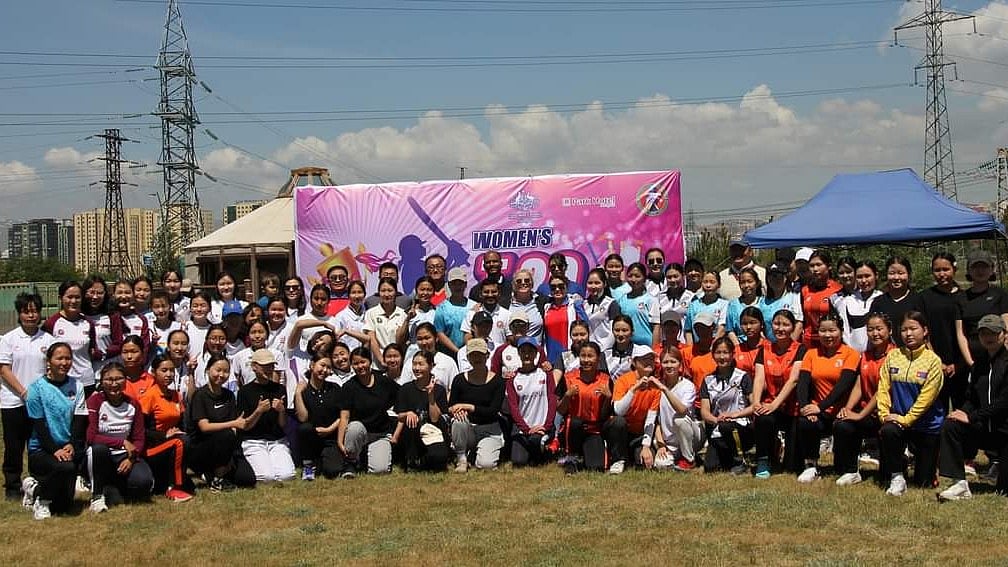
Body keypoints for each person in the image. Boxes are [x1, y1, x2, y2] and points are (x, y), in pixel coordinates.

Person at [938, 314, 1008, 500]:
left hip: (1005, 431)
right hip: (983, 428)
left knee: (1004, 491)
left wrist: (971, 417)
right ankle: (959, 483)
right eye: (984, 333)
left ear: (1004, 334)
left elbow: (1003, 403)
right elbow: (972, 398)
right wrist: (962, 411)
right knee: (951, 425)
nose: (988, 337)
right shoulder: (979, 365)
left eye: (993, 333)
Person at [877, 311, 945, 496]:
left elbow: (926, 399)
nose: (908, 334)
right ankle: (897, 476)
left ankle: (922, 465)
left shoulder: (933, 361)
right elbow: (883, 388)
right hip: (897, 422)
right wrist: (884, 415)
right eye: (904, 329)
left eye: (913, 329)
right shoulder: (893, 356)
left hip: (926, 425)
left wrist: (907, 419)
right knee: (888, 431)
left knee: (924, 483)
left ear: (925, 331)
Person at [23, 343, 86, 520]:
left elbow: (79, 419)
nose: (64, 362)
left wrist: (71, 444)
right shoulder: (36, 389)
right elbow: (39, 426)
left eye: (68, 358)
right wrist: (55, 450)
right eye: (59, 358)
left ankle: (33, 489)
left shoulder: (77, 385)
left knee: (64, 506)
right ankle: (41, 501)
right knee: (66, 466)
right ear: (48, 361)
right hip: (42, 449)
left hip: (66, 448)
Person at [795, 311, 860, 483]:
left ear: (841, 331)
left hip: (842, 410)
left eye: (832, 330)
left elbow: (843, 386)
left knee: (844, 427)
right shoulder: (811, 354)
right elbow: (802, 383)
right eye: (823, 331)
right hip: (819, 410)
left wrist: (820, 407)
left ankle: (851, 470)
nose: (827, 335)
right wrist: (805, 408)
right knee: (805, 422)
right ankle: (811, 466)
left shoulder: (851, 354)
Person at [0, 293, 53, 500]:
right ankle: (12, 485)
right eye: (26, 312)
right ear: (19, 314)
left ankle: (37, 482)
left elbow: (52, 369)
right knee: (14, 446)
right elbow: (4, 369)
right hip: (13, 401)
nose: (31, 316)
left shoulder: (48, 340)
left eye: (34, 311)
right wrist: (23, 392)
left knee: (38, 444)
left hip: (40, 402)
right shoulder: (8, 339)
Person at [832, 312, 894, 486]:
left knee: (886, 477)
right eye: (870, 329)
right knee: (843, 423)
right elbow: (859, 385)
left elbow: (882, 390)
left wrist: (860, 415)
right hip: (867, 411)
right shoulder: (865, 355)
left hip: (888, 413)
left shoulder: (895, 355)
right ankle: (851, 470)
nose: (875, 333)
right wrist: (848, 409)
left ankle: (896, 465)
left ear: (889, 330)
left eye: (879, 329)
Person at [85, 363, 153, 512]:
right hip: (101, 455)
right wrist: (121, 442)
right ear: (102, 382)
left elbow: (139, 438)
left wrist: (131, 459)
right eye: (109, 379)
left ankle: (113, 488)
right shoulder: (94, 401)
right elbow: (91, 437)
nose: (114, 384)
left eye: (118, 379)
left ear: (125, 380)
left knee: (144, 483)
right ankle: (97, 495)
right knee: (99, 450)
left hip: (125, 455)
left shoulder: (133, 404)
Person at [186, 354, 255, 491]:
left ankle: (214, 472)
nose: (221, 375)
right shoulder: (200, 395)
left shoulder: (229, 395)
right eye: (218, 370)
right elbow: (204, 427)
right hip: (203, 447)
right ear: (208, 370)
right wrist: (233, 424)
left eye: (225, 371)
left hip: (226, 447)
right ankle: (217, 480)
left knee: (247, 479)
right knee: (226, 434)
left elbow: (236, 426)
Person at [751, 310, 806, 478]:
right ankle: (763, 459)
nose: (780, 328)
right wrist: (756, 402)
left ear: (793, 328)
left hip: (793, 407)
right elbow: (759, 378)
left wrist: (775, 404)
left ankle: (784, 449)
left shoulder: (801, 349)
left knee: (792, 467)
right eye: (776, 324)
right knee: (763, 418)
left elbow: (794, 380)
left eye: (785, 325)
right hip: (770, 404)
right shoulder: (764, 349)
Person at [914, 252, 968, 408]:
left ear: (954, 270)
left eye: (946, 269)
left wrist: (959, 364)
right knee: (936, 411)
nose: (942, 274)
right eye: (937, 270)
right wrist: (938, 362)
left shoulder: (965, 297)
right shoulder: (924, 298)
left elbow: (969, 333)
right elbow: (922, 333)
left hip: (961, 364)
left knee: (962, 409)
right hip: (933, 364)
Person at [139, 354, 193, 501]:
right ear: (154, 372)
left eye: (171, 370)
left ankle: (174, 480)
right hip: (152, 447)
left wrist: (178, 431)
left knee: (184, 439)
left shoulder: (176, 395)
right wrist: (164, 436)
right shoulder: (149, 396)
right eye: (164, 370)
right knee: (180, 442)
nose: (169, 374)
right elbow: (141, 430)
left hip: (170, 444)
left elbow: (181, 423)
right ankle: (175, 488)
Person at [236, 349, 295, 483]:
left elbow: (282, 424)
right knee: (266, 477)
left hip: (277, 441)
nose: (268, 369)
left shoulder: (280, 389)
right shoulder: (244, 392)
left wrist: (281, 410)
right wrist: (258, 411)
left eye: (271, 366)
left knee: (287, 476)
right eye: (264, 366)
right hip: (254, 441)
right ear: (254, 367)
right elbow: (244, 425)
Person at [338, 348, 399, 475]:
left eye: (363, 362)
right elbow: (344, 417)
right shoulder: (349, 387)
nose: (360, 366)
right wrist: (340, 441)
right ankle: (351, 462)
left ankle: (365, 457)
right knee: (354, 428)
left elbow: (401, 396)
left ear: (370, 362)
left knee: (380, 470)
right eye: (356, 363)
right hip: (360, 432)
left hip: (380, 433)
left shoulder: (384, 382)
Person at [556, 341, 615, 473]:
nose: (586, 360)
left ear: (598, 358)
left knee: (596, 468)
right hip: (573, 429)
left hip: (595, 430)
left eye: (590, 356)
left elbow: (605, 415)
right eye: (583, 356)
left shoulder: (605, 380)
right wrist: (567, 396)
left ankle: (584, 454)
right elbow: (560, 410)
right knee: (575, 422)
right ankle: (571, 456)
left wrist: (607, 398)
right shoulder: (568, 378)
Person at [698, 337, 754, 474]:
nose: (722, 357)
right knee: (710, 467)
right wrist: (716, 419)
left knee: (727, 426)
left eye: (726, 352)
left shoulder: (742, 377)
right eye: (718, 353)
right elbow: (704, 411)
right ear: (713, 355)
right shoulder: (708, 380)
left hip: (740, 427)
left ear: (732, 354)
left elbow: (754, 406)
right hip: (717, 427)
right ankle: (729, 458)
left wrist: (735, 415)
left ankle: (739, 460)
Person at [449, 338, 505, 472]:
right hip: (467, 429)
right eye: (473, 355)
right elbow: (451, 406)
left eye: (480, 354)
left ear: (487, 355)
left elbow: (493, 411)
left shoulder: (498, 381)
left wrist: (469, 407)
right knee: (458, 420)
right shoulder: (459, 379)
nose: (477, 358)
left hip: (489, 430)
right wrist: (457, 410)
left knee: (486, 465)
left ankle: (476, 453)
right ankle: (461, 458)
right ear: (468, 358)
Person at [393, 350, 451, 472]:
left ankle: (422, 461)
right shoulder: (406, 389)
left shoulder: (439, 390)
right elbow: (398, 415)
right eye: (414, 364)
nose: (416, 368)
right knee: (411, 421)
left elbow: (435, 419)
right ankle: (411, 460)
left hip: (433, 433)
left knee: (439, 459)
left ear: (431, 366)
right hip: (412, 433)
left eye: (421, 364)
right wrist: (407, 413)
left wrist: (431, 396)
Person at [506, 337, 557, 467]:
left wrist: (546, 426)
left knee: (535, 443)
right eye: (523, 351)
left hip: (542, 427)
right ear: (519, 353)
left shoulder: (545, 374)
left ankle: (543, 451)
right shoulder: (512, 379)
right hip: (524, 429)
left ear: (536, 353)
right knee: (518, 461)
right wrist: (526, 429)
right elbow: (513, 408)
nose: (527, 355)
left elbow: (552, 400)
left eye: (530, 351)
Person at [611, 345, 663, 472]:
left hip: (639, 434)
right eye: (644, 359)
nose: (649, 362)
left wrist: (646, 446)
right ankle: (618, 459)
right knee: (619, 422)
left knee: (645, 463)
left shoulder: (655, 386)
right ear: (634, 362)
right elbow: (618, 411)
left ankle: (632, 455)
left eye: (651, 359)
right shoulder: (623, 380)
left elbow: (651, 418)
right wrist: (634, 389)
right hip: (620, 432)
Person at [43, 281, 99, 395]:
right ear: (61, 298)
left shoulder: (88, 323)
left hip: (86, 382)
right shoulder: (51, 323)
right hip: (61, 382)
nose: (73, 301)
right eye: (69, 297)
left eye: (77, 297)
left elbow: (92, 350)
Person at [294, 355, 343, 480]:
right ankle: (308, 465)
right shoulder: (304, 391)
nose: (325, 370)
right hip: (312, 438)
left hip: (331, 437)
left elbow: (342, 416)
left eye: (328, 367)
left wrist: (329, 430)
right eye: (322, 365)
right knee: (304, 428)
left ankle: (320, 462)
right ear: (312, 365)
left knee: (332, 471)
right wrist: (298, 393)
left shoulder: (335, 388)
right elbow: (303, 418)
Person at [653, 346, 702, 470]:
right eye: (665, 362)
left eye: (673, 362)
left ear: (680, 364)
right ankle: (677, 458)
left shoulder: (687, 386)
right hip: (669, 442)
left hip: (691, 436)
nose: (669, 366)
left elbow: (682, 410)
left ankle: (689, 459)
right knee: (661, 465)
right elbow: (656, 420)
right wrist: (661, 445)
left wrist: (665, 390)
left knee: (680, 419)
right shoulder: (657, 386)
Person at [958, 249, 1008, 364]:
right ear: (968, 270)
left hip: (999, 357)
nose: (980, 271)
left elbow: (1006, 327)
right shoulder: (961, 298)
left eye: (984, 266)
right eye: (975, 267)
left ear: (992, 269)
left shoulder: (1000, 294)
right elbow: (960, 334)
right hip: (973, 358)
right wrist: (971, 363)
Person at [830, 260, 882, 353]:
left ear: (876, 275)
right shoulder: (847, 300)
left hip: (878, 355)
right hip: (852, 354)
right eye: (859, 277)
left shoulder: (882, 298)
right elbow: (845, 331)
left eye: (867, 276)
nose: (864, 281)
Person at [541, 274, 589, 365]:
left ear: (567, 287)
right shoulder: (546, 308)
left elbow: (586, 328)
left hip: (571, 358)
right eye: (553, 287)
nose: (557, 289)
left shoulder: (575, 305)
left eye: (561, 286)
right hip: (551, 360)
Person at [871, 257, 918, 347]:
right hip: (886, 352)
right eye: (892, 273)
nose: (896, 277)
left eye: (901, 273)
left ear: (909, 274)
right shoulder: (878, 302)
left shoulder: (918, 300)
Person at [800, 250, 843, 349]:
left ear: (829, 266)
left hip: (830, 341)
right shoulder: (805, 290)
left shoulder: (837, 290)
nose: (815, 269)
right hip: (809, 341)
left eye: (819, 265)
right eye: (812, 266)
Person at [613, 262, 661, 349]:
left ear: (644, 278)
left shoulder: (651, 300)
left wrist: (655, 350)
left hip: (647, 347)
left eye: (637, 276)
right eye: (630, 276)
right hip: (627, 348)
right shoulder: (622, 299)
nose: (633, 279)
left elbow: (656, 327)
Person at [363, 277, 409, 368]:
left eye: (390, 290)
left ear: (396, 292)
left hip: (396, 363)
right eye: (383, 291)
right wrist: (381, 360)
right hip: (377, 364)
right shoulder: (371, 313)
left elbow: (400, 341)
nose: (386, 294)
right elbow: (372, 339)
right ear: (379, 293)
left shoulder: (402, 314)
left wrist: (394, 359)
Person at [404, 322, 460, 391]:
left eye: (427, 338)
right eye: (420, 339)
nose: (424, 342)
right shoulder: (409, 362)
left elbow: (454, 389)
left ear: (436, 338)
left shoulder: (448, 362)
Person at [759, 261, 803, 343]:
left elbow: (799, 325)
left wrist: (787, 346)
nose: (774, 280)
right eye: (771, 277)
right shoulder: (762, 301)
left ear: (785, 278)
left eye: (778, 277)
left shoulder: (794, 297)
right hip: (769, 347)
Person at [434, 267, 474, 356]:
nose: (457, 287)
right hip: (447, 354)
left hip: (470, 353)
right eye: (454, 284)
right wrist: (457, 352)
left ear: (465, 284)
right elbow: (439, 332)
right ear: (449, 285)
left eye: (460, 283)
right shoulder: (442, 307)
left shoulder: (474, 306)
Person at [461, 278, 511, 348]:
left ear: (499, 293)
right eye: (486, 292)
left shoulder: (507, 315)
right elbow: (467, 337)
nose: (490, 295)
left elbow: (510, 339)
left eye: (494, 292)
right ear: (480, 294)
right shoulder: (471, 314)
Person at [683, 271, 727, 344]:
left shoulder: (724, 304)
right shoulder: (693, 305)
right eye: (705, 282)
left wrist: (713, 346)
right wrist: (690, 347)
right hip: (697, 346)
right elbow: (688, 330)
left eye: (712, 282)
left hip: (715, 346)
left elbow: (722, 328)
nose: (708, 285)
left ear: (719, 284)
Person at [725, 268, 764, 347]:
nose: (746, 285)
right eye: (742, 282)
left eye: (750, 281)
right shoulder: (733, 305)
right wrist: (738, 347)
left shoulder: (765, 303)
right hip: (740, 347)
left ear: (757, 283)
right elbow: (730, 330)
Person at [396, 276, 437, 347]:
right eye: (422, 289)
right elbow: (399, 340)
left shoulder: (438, 313)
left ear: (433, 292)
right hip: (413, 352)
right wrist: (407, 319)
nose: (425, 293)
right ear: (416, 291)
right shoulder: (407, 312)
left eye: (429, 290)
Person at [582, 268, 615, 351]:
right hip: (587, 351)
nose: (593, 286)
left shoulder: (611, 303)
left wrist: (603, 349)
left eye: (597, 283)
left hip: (605, 350)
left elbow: (613, 331)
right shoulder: (583, 304)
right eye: (590, 283)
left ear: (604, 284)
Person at [331, 280, 369, 352]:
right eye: (353, 292)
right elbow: (337, 339)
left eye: (360, 292)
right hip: (348, 355)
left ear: (364, 294)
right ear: (348, 295)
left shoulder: (369, 314)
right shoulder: (341, 316)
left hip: (366, 355)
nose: (357, 296)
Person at [509, 269, 544, 341]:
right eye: (519, 281)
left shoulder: (542, 301)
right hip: (512, 347)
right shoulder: (505, 303)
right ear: (514, 285)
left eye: (527, 280)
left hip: (536, 347)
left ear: (532, 284)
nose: (523, 283)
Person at [659, 262, 694, 332]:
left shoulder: (691, 297)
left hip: (685, 337)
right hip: (665, 337)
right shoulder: (659, 298)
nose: (673, 280)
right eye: (669, 277)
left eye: (676, 276)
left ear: (683, 276)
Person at [120, 335, 153, 402]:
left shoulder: (152, 381)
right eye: (125, 352)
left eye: (134, 352)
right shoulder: (116, 381)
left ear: (143, 353)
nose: (129, 356)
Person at [149, 291, 181, 357]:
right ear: (151, 308)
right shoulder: (148, 327)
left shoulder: (178, 327)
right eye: (156, 307)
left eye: (164, 306)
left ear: (170, 306)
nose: (161, 310)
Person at [604, 315, 636, 381]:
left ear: (632, 332)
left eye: (624, 330)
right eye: (617, 330)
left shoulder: (640, 353)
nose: (620, 334)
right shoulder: (605, 355)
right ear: (612, 331)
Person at [183, 291, 213, 362]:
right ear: (190, 308)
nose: (199, 309)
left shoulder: (213, 330)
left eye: (203, 306)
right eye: (195, 306)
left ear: (210, 308)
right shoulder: (185, 328)